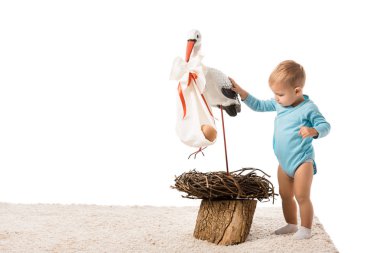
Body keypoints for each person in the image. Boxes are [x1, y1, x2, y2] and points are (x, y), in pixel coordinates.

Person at [229, 60, 330, 240]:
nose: (276, 97)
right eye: (274, 93)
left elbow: (325, 125)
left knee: (302, 196)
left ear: (297, 91)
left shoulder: (308, 108)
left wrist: (314, 131)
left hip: (302, 162)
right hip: (283, 162)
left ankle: (306, 229)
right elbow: (259, 105)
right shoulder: (279, 104)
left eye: (280, 94)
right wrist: (241, 92)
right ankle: (291, 224)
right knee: (285, 195)